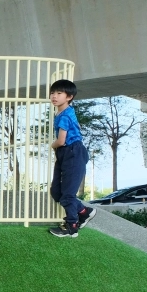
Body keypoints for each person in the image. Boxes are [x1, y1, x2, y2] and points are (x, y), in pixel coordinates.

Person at [48, 80, 96, 238]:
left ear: (69, 97)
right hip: (65, 153)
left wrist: (51, 146)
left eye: (59, 93)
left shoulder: (65, 116)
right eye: (53, 93)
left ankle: (71, 226)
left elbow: (61, 140)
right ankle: (83, 211)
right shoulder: (62, 113)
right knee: (57, 192)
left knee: (67, 195)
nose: (54, 96)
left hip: (72, 152)